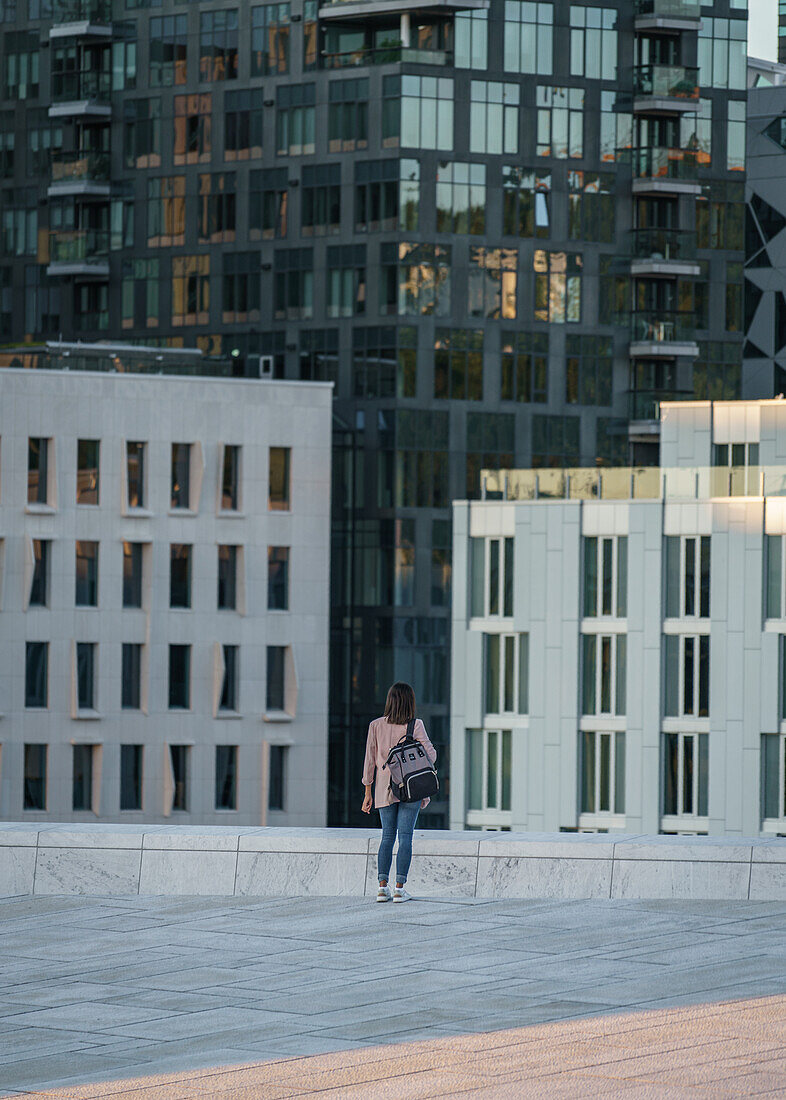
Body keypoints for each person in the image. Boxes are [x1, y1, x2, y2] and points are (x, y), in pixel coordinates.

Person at [361, 681, 437, 903]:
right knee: (405, 838)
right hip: (410, 788)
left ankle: (381, 888)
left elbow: (369, 761)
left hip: (384, 788)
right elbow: (431, 755)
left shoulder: (375, 726)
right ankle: (399, 889)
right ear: (410, 702)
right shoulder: (416, 725)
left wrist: (367, 792)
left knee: (386, 837)